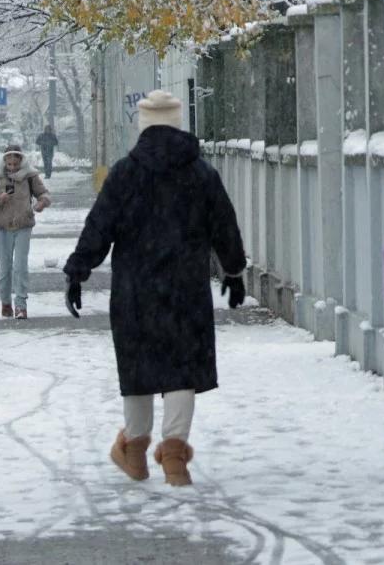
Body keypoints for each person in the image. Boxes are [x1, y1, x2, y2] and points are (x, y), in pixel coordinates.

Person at [64, 90, 247, 487]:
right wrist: (233, 271)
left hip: (135, 290)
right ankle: (176, 456)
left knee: (137, 368)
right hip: (186, 290)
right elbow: (225, 227)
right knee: (182, 370)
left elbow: (100, 227)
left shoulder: (125, 173)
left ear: (143, 125)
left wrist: (78, 270)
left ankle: (134, 451)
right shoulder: (202, 174)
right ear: (178, 123)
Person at [0, 145, 51, 319]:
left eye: (15, 164)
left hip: (23, 225)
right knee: (5, 268)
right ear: (4, 161)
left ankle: (21, 305)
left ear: (21, 161)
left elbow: (44, 194)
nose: (12, 167)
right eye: (9, 164)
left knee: (20, 266)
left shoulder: (30, 176)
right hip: (1, 227)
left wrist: (41, 203)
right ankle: (5, 303)